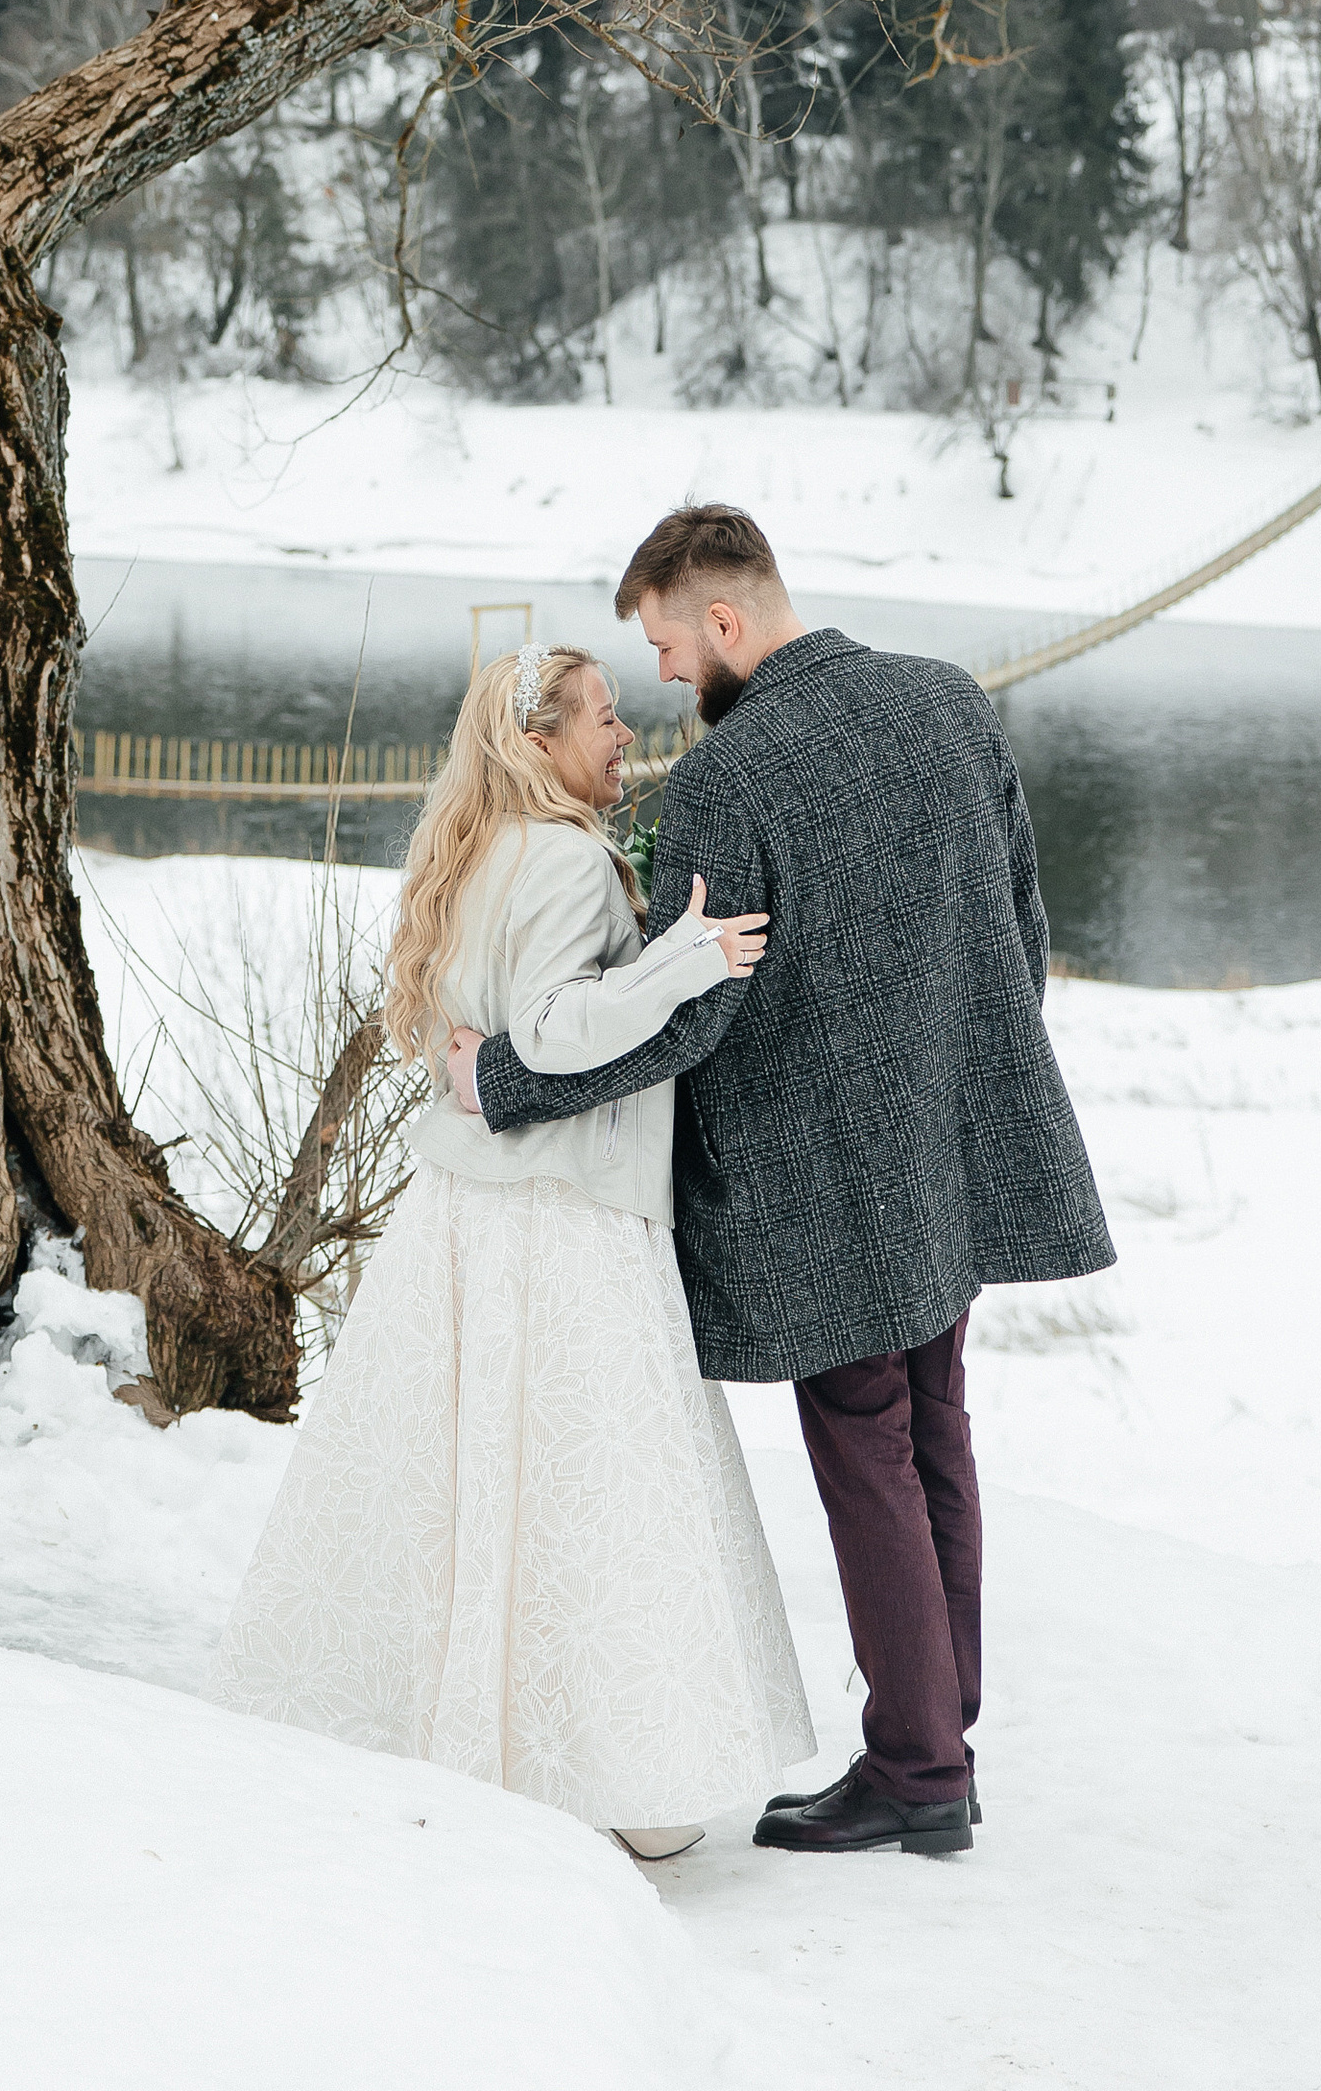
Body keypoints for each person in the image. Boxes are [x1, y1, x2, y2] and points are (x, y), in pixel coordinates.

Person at [451, 503, 1113, 1862]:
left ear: (724, 620)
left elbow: (687, 1017)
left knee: (869, 1449)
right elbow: (1020, 915)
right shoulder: (950, 702)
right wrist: (952, 1077)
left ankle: (919, 1769)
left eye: (667, 647)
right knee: (936, 1429)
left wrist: (501, 1080)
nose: (662, 678)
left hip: (823, 1184)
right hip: (948, 1146)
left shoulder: (726, 780)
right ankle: (937, 1748)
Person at [217, 639, 813, 1861]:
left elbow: (477, 1037)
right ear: (537, 742)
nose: (623, 734)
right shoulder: (562, 858)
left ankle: (460, 1733)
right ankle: (627, 1775)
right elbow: (548, 1033)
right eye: (601, 716)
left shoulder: (477, 849)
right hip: (563, 1210)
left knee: (476, 1474)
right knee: (591, 1485)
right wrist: (684, 960)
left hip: (468, 1209)